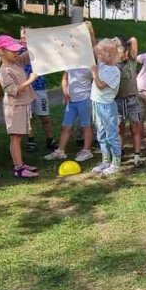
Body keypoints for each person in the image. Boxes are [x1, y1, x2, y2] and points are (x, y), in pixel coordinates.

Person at [45, 23, 97, 163]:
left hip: (85, 99)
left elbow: (93, 47)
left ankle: (87, 151)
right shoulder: (70, 63)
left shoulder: (89, 61)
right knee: (65, 126)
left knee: (86, 126)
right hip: (71, 101)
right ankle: (60, 151)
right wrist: (64, 90)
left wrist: (90, 31)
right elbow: (65, 78)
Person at [0, 35, 39, 179]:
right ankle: (18, 168)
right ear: (1, 52)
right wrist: (30, 81)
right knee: (16, 137)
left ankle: (20, 163)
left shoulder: (16, 62)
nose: (16, 53)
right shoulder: (3, 70)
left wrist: (26, 43)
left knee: (20, 135)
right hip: (14, 108)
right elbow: (12, 90)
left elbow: (29, 54)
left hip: (23, 104)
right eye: (12, 50)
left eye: (16, 50)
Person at [20, 30, 56, 154]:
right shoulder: (17, 51)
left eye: (27, 37)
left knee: (45, 116)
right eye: (22, 37)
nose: (25, 39)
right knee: (29, 116)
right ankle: (31, 140)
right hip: (26, 88)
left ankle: (50, 139)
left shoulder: (40, 49)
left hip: (40, 87)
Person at [91, 38, 122, 176]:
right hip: (97, 103)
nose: (97, 57)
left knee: (111, 135)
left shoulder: (114, 70)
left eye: (100, 54)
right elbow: (93, 46)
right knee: (101, 134)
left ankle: (115, 163)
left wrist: (94, 73)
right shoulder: (103, 64)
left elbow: (100, 85)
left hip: (107, 106)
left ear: (109, 54)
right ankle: (106, 160)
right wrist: (90, 29)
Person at [116, 36, 144, 166]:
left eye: (122, 50)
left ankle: (137, 155)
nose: (121, 53)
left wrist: (126, 46)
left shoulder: (132, 61)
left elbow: (134, 39)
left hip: (132, 99)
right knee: (119, 127)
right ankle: (120, 151)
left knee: (135, 127)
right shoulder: (113, 63)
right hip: (117, 101)